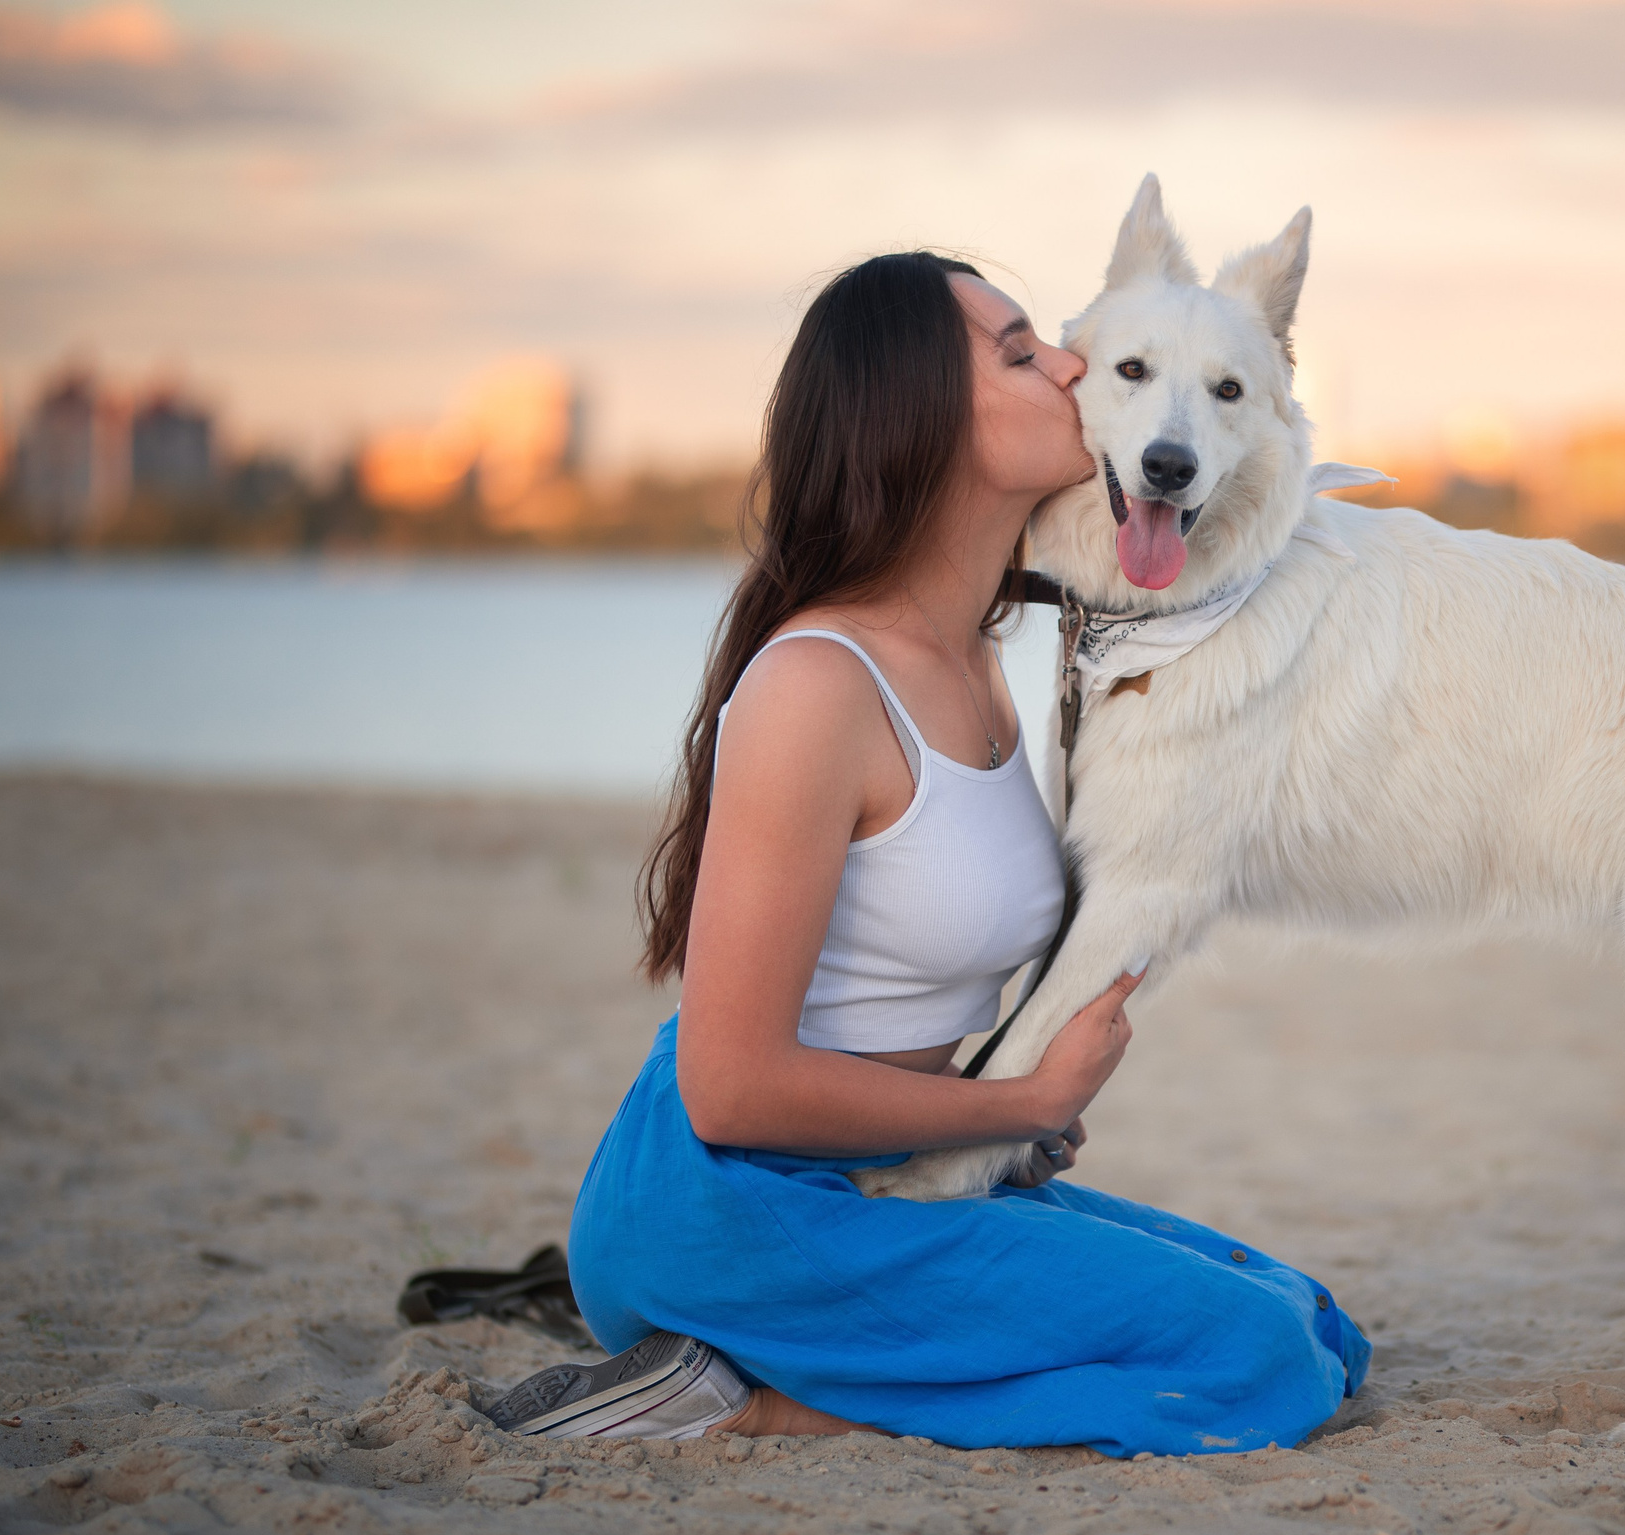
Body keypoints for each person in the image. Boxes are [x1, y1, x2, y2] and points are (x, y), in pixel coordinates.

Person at [487, 252, 1368, 1456]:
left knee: (1310, 1322)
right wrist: (1022, 1099)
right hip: (740, 1204)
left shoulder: (984, 662)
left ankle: (790, 1363)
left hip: (889, 1168)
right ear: (916, 416)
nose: (1065, 364)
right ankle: (732, 1400)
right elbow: (728, 1086)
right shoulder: (818, 686)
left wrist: (990, 1122)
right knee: (1255, 1363)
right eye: (1017, 354)